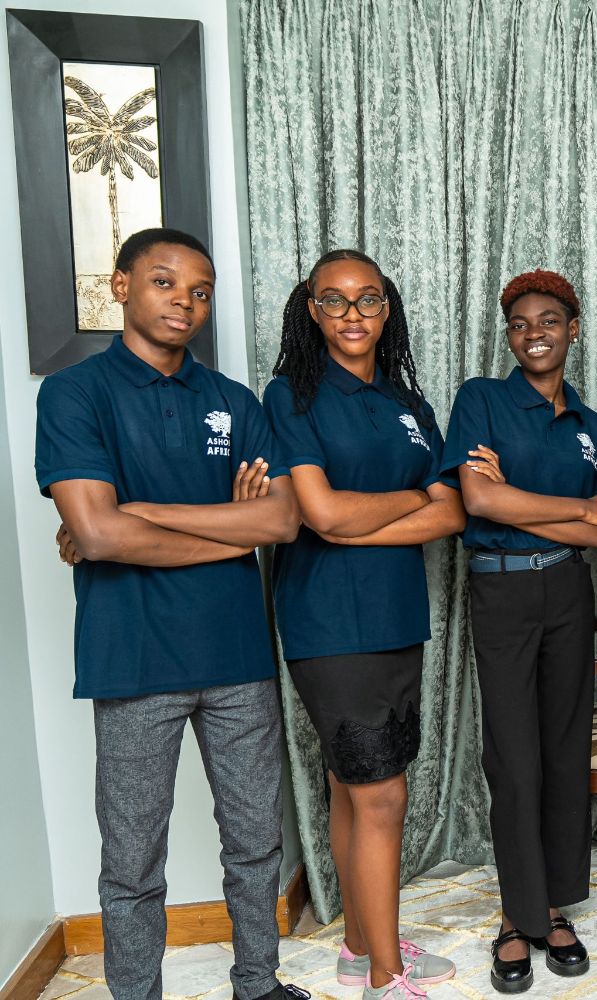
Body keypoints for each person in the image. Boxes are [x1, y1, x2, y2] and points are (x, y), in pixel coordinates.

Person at [35, 228, 308, 1000]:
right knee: (131, 861)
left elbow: (281, 523)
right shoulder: (75, 394)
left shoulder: (233, 401)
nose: (184, 301)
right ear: (120, 286)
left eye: (200, 290)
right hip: (133, 659)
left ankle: (258, 985)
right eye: (163, 282)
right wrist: (225, 530)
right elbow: (95, 531)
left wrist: (144, 515)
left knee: (256, 842)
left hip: (237, 657)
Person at [264, 249, 465, 999]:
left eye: (368, 299)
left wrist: (359, 522)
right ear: (311, 311)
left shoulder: (412, 408)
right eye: (335, 300)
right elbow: (317, 513)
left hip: (395, 617)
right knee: (381, 796)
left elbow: (450, 510)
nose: (353, 315)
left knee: (356, 789)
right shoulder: (291, 396)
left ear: (389, 310)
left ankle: (358, 947)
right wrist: (401, 506)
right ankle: (387, 975)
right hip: (327, 619)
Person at [441, 269, 597, 994]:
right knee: (514, 756)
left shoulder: (595, 428)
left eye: (549, 320)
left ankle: (554, 903)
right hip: (503, 588)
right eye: (520, 323)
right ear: (508, 334)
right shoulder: (481, 398)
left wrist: (520, 501)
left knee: (564, 749)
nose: (534, 333)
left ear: (574, 329)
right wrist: (562, 511)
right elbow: (476, 498)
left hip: (568, 586)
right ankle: (518, 916)